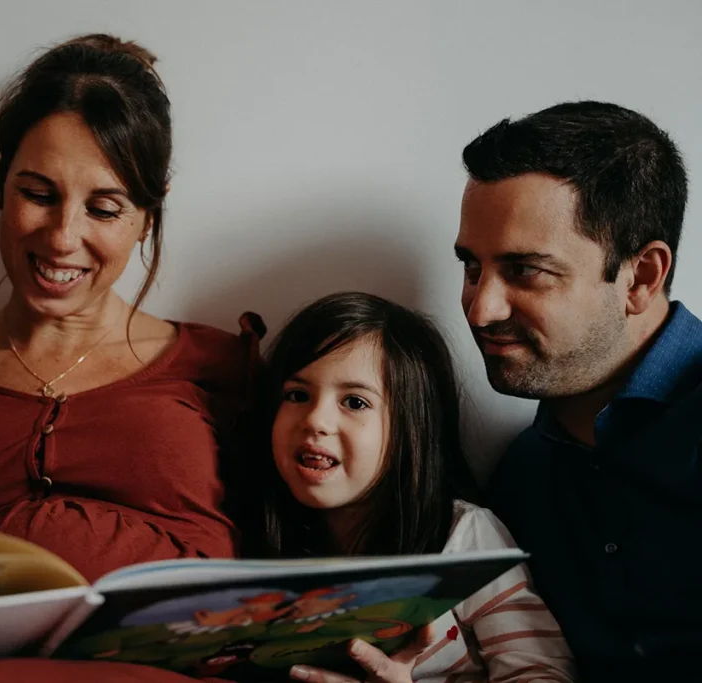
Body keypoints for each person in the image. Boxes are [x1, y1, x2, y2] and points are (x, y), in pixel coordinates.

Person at [0, 28, 259, 663]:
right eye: (37, 195)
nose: (63, 238)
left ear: (150, 213)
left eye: (105, 209)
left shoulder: (224, 368)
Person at [455, 100, 700, 681]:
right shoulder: (523, 474)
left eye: (525, 270)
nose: (480, 308)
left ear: (640, 276)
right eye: (471, 267)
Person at [255, 292, 575, 683]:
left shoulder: (462, 539)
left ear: (410, 429)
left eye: (355, 402)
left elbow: (541, 673)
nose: (315, 420)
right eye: (297, 395)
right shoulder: (262, 543)